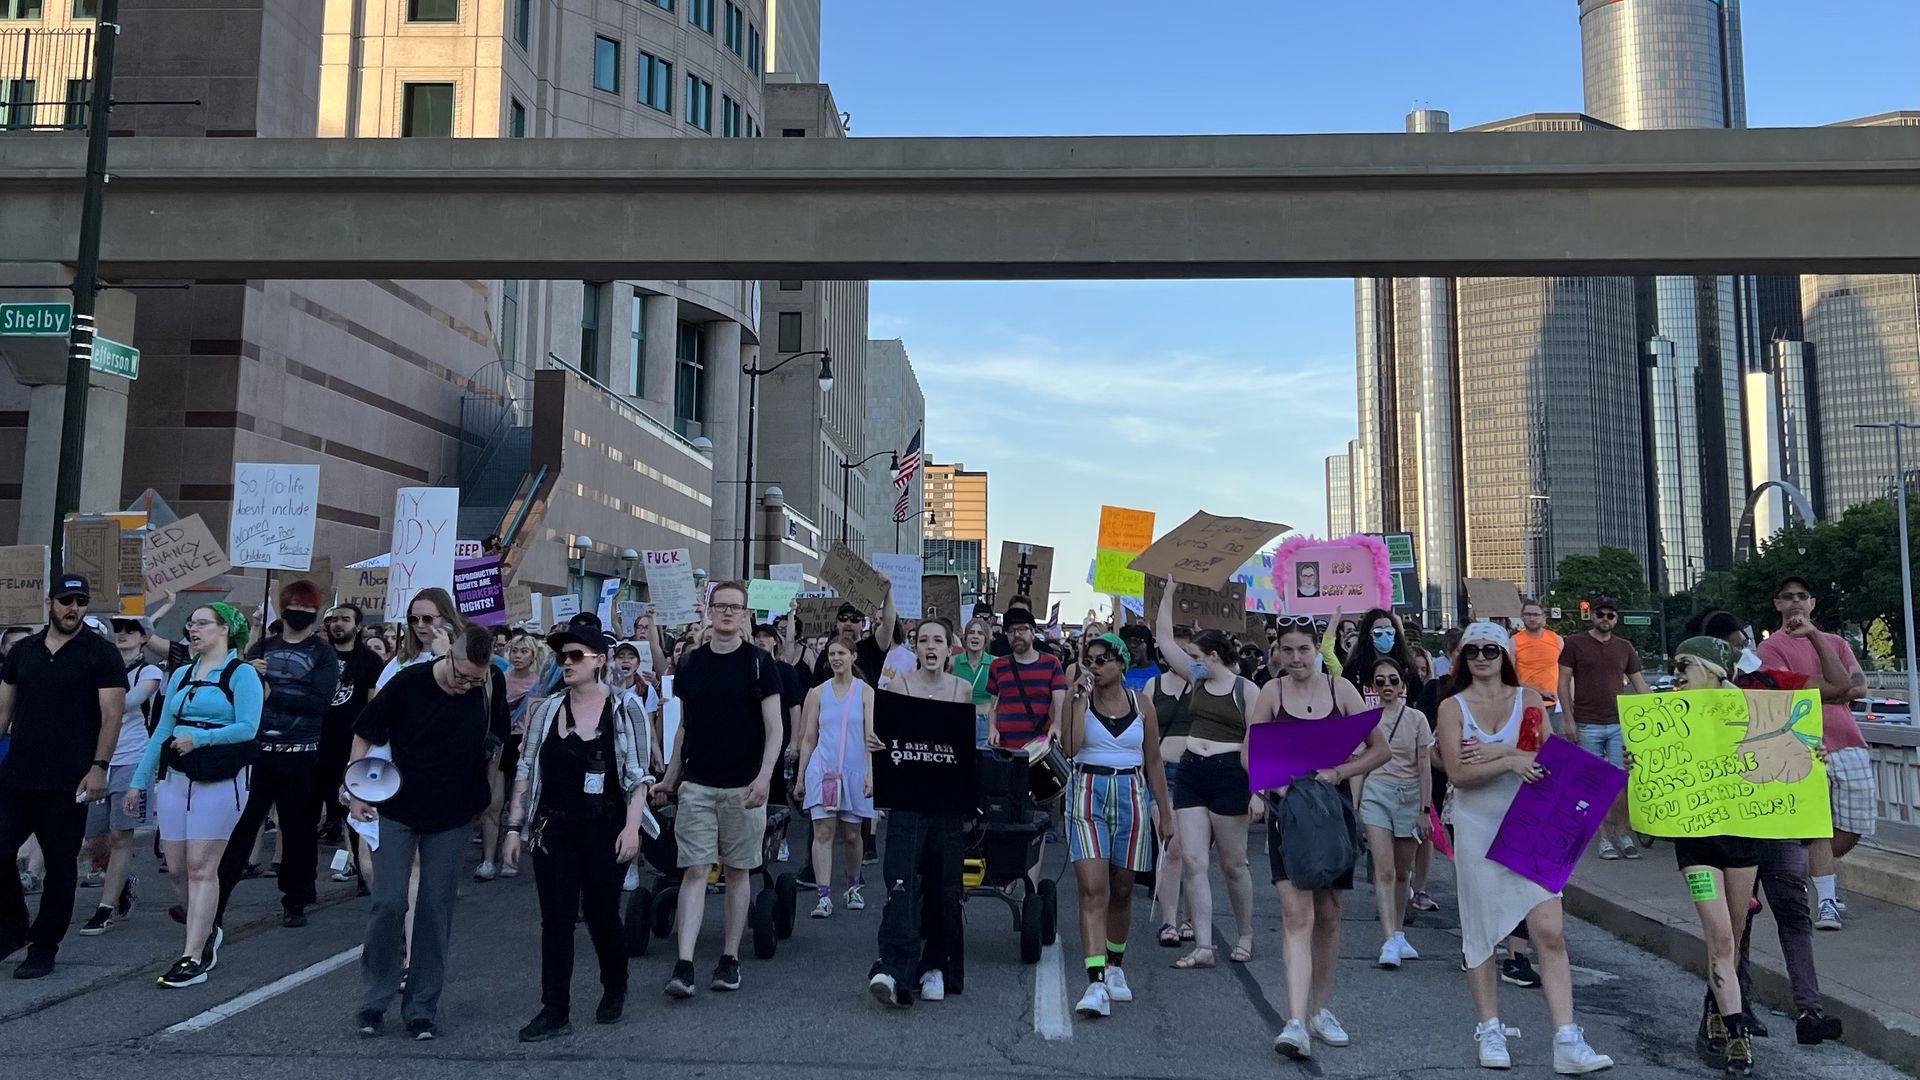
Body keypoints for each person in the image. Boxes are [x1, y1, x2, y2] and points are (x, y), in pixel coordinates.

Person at [1438, 622, 1612, 1073]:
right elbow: (1458, 774)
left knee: (1549, 930)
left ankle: (1566, 1037)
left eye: (1490, 650)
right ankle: (1489, 1029)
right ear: (1462, 658)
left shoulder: (1529, 699)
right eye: (1472, 650)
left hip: (1532, 826)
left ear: (1505, 656)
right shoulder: (1452, 707)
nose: (1481, 657)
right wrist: (1511, 761)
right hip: (1477, 827)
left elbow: (1551, 760)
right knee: (1481, 933)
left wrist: (1500, 755)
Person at [1691, 610, 1846, 1046]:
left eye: (1743, 643)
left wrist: (1814, 637)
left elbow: (1837, 688)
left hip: (1778, 819)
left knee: (1792, 911)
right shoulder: (1691, 701)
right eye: (1735, 645)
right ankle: (1731, 1008)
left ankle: (1809, 1011)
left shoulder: (1770, 683)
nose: (1744, 651)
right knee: (1735, 922)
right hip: (1729, 828)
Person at [349, 622, 508, 1040]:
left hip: (453, 813)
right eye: (462, 676)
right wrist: (355, 789)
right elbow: (364, 733)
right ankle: (374, 999)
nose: (466, 685)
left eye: (475, 680)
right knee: (388, 901)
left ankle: (421, 1007)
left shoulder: (488, 686)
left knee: (436, 908)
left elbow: (497, 740)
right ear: (448, 655)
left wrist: (488, 787)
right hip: (397, 806)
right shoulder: (409, 683)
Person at [1629, 637, 1780, 1076]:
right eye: (1675, 665)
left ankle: (1713, 1010)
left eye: (1685, 665)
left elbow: (1786, 757)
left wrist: (1812, 752)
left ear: (1713, 670)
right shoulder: (1664, 716)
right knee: (1720, 936)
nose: (1676, 674)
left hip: (1744, 836)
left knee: (1734, 932)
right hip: (1695, 839)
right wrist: (1636, 764)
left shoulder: (1753, 711)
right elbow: (1649, 776)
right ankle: (1737, 1038)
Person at [504, 627, 653, 1042]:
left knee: (602, 915)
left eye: (575, 655)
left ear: (599, 660)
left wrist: (631, 828)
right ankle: (555, 1010)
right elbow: (525, 768)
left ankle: (615, 985)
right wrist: (514, 827)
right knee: (556, 919)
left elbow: (638, 776)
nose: (566, 663)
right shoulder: (547, 710)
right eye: (562, 657)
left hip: (605, 827)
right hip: (553, 828)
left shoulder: (625, 708)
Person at [1250, 619, 1387, 1059]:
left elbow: (1379, 748)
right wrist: (1270, 786)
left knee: (1328, 914)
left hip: (1331, 812)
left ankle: (1320, 1009)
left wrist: (1339, 772)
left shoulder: (1340, 690)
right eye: (1287, 650)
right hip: (1289, 813)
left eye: (1303, 650)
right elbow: (1249, 750)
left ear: (1316, 649)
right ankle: (1294, 1021)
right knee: (1296, 914)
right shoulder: (1272, 692)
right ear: (1278, 652)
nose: (1295, 659)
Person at [125, 602, 264, 988]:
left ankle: (194, 954)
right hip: (177, 778)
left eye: (202, 623)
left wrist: (201, 738)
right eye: (191, 623)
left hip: (220, 779)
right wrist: (138, 780)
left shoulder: (242, 674)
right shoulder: (183, 673)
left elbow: (248, 728)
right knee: (176, 867)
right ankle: (205, 928)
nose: (193, 629)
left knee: (202, 866)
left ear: (224, 630)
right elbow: (162, 729)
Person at [653, 581, 782, 999]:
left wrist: (765, 776)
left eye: (735, 607)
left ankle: (729, 957)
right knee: (694, 870)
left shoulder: (760, 663)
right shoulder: (691, 664)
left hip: (744, 785)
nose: (727, 612)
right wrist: (671, 776)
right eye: (721, 606)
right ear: (709, 611)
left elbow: (775, 727)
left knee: (739, 871)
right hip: (698, 784)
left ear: (745, 615)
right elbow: (684, 728)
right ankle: (685, 963)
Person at [0, 574, 128, 979]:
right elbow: (3, 710)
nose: (74, 608)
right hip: (18, 774)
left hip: (70, 779)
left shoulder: (101, 653)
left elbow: (111, 716)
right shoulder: (23, 652)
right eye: (66, 600)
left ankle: (44, 946)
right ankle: (12, 926)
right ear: (49, 602)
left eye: (81, 601)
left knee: (59, 866)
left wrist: (99, 767)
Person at [1059, 633, 1172, 1019]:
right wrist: (1076, 700)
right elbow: (1070, 748)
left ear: (1121, 663)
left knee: (1122, 888)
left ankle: (1115, 964)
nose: (1095, 666)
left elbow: (1153, 760)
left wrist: (1165, 812)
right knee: (1093, 889)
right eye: (1089, 660)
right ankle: (1094, 980)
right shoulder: (1077, 699)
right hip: (1088, 792)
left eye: (1103, 659)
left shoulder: (1142, 704)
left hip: (1130, 793)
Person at [217, 579, 337, 930]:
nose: (300, 613)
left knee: (298, 830)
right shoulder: (261, 649)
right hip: (258, 754)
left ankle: (296, 899)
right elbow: (233, 695)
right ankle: (216, 902)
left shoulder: (323, 654)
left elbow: (320, 702)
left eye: (307, 609)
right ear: (283, 610)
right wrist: (247, 676)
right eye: (294, 607)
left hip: (301, 754)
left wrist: (272, 694)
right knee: (240, 829)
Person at [1754, 577, 1870, 932]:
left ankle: (1802, 869)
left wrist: (1830, 687)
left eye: (1802, 596)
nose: (1796, 602)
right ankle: (1827, 899)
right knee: (1817, 824)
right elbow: (1788, 695)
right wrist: (1835, 690)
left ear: (1812, 603)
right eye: (1788, 597)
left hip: (1848, 740)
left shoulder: (1835, 642)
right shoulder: (1769, 648)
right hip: (1802, 745)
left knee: (1855, 826)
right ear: (1777, 604)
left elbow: (1859, 686)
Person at [867, 618, 972, 1008]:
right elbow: (887, 737)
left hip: (946, 802)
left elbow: (963, 748)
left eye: (937, 640)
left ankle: (936, 966)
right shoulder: (899, 686)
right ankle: (895, 966)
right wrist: (876, 744)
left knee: (944, 886)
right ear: (915, 648)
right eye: (923, 640)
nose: (930, 646)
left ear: (949, 649)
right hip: (908, 800)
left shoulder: (962, 689)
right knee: (901, 882)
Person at [1155, 593, 1258, 970]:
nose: (1192, 662)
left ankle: (1245, 934)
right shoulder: (1196, 679)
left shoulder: (1246, 690)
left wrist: (1258, 790)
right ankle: (1202, 945)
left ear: (1214, 656)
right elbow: (1164, 639)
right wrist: (1168, 592)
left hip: (1230, 774)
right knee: (1193, 860)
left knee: (1233, 864)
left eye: (1197, 657)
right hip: (1191, 772)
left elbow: (1257, 743)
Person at [78, 617, 165, 937]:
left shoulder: (149, 672)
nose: (123, 634)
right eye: (119, 630)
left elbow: (127, 702)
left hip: (132, 759)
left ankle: (104, 908)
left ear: (144, 638)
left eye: (131, 630)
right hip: (98, 761)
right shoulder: (97, 669)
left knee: (120, 836)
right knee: (94, 841)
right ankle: (124, 881)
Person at [1558, 596, 1650, 860]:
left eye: (1611, 615)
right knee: (1593, 784)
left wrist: (1660, 709)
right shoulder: (1574, 643)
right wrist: (1568, 719)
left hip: (1619, 722)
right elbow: (1562, 683)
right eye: (1601, 614)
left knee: (1621, 782)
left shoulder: (1624, 647)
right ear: (1592, 616)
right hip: (1586, 722)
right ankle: (1602, 839)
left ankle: (1622, 832)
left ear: (1616, 619)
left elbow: (1640, 684)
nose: (1605, 619)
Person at [1356, 657, 1433, 969]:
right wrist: (1356, 805)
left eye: (1392, 680)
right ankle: (1388, 938)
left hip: (1410, 796)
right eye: (1380, 681)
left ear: (1402, 684)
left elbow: (1424, 766)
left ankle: (1398, 933)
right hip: (1377, 792)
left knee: (1403, 873)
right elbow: (1358, 766)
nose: (1387, 685)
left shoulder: (1417, 719)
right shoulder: (1367, 719)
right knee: (1384, 871)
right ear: (1372, 686)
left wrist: (1425, 809)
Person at [795, 637, 875, 918]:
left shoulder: (865, 691)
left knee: (852, 834)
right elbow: (808, 737)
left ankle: (853, 886)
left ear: (853, 656)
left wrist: (871, 774)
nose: (836, 658)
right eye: (832, 654)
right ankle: (823, 896)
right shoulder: (818, 693)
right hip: (825, 771)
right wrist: (801, 777)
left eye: (842, 653)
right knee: (823, 832)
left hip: (854, 770)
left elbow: (869, 736)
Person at [323, 605, 387, 889]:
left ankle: (362, 870)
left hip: (352, 744)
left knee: (353, 806)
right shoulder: (321, 655)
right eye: (334, 619)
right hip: (317, 742)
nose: (338, 624)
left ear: (357, 626)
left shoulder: (370, 660)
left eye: (345, 619)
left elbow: (373, 706)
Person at [1146, 622, 1195, 948]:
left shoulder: (1204, 683)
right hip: (1164, 773)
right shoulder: (1154, 685)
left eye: (1188, 652)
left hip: (1198, 771)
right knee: (1172, 845)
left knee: (1195, 852)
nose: (1181, 657)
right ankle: (1169, 920)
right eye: (1175, 651)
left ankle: (1192, 915)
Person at [986, 606, 1065, 752]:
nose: (1016, 634)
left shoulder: (1051, 663)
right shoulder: (997, 666)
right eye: (1011, 631)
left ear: (1033, 632)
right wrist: (992, 728)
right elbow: (992, 706)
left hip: (1039, 748)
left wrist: (1057, 724)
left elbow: (1060, 702)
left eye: (1022, 629)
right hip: (1005, 749)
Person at [376, 588, 464, 691]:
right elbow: (378, 697)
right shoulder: (401, 659)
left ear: (447, 619)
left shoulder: (463, 658)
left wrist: (444, 656)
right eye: (413, 619)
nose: (420, 625)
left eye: (427, 618)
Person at [1339, 608, 1425, 708]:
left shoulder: (1407, 667)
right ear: (1368, 635)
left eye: (1389, 631)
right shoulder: (1354, 668)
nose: (1384, 636)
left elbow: (1418, 702)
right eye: (1378, 632)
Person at [1513, 599, 1563, 723]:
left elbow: (1567, 673)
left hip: (1556, 705)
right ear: (1522, 617)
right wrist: (1541, 692)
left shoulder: (1556, 639)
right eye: (1528, 614)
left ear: (1543, 617)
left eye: (1536, 614)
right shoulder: (1514, 642)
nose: (1532, 618)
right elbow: (1509, 677)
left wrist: (1570, 700)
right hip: (1526, 703)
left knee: (1557, 736)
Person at [952, 617, 996, 750]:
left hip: (985, 722)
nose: (975, 636)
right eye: (971, 632)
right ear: (965, 637)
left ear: (986, 639)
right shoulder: (952, 662)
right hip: (959, 720)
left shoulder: (995, 663)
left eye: (980, 633)